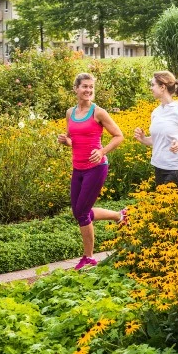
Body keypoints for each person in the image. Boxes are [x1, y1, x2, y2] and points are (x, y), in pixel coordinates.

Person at [57, 73, 126, 270]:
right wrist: (65, 141)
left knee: (81, 213)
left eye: (91, 87)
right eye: (84, 87)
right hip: (77, 168)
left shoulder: (99, 112)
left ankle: (88, 257)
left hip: (96, 168)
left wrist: (102, 151)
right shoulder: (71, 113)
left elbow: (118, 136)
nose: (88, 90)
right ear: (76, 89)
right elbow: (73, 140)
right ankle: (119, 216)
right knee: (79, 212)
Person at [133, 71, 178, 188]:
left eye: (152, 85)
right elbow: (156, 140)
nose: (151, 88)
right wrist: (143, 138)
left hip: (176, 169)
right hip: (159, 167)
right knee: (161, 204)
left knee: (172, 205)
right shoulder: (156, 112)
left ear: (162, 87)